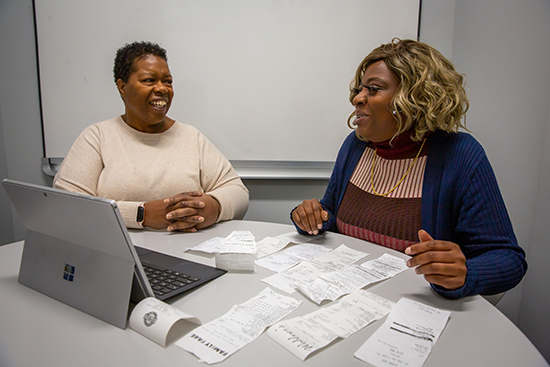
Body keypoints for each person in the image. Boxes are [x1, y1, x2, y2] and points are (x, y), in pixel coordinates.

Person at [290, 39, 527, 299]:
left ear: (415, 98)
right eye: (360, 89)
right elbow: (333, 216)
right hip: (346, 298)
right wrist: (314, 217)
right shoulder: (355, 146)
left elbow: (508, 259)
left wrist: (467, 272)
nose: (357, 98)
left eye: (373, 89)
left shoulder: (459, 156)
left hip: (415, 310)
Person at [54, 41, 249, 232]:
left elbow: (237, 192)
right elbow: (69, 207)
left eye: (167, 81)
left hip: (186, 255)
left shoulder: (191, 137)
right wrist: (141, 215)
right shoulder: (97, 137)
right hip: (120, 254)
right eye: (149, 80)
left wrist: (214, 207)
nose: (162, 88)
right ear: (122, 87)